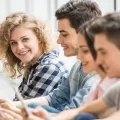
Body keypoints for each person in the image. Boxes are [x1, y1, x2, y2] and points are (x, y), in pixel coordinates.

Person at [0, 0, 102, 114]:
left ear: (86, 33)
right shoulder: (77, 65)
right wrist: (11, 105)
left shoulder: (97, 76)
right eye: (13, 43)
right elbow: (54, 99)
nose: (58, 40)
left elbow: (73, 114)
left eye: (64, 34)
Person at [0, 12, 69, 100]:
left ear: (40, 38)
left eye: (25, 39)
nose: (19, 47)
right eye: (13, 43)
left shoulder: (49, 66)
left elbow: (24, 110)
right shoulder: (34, 66)